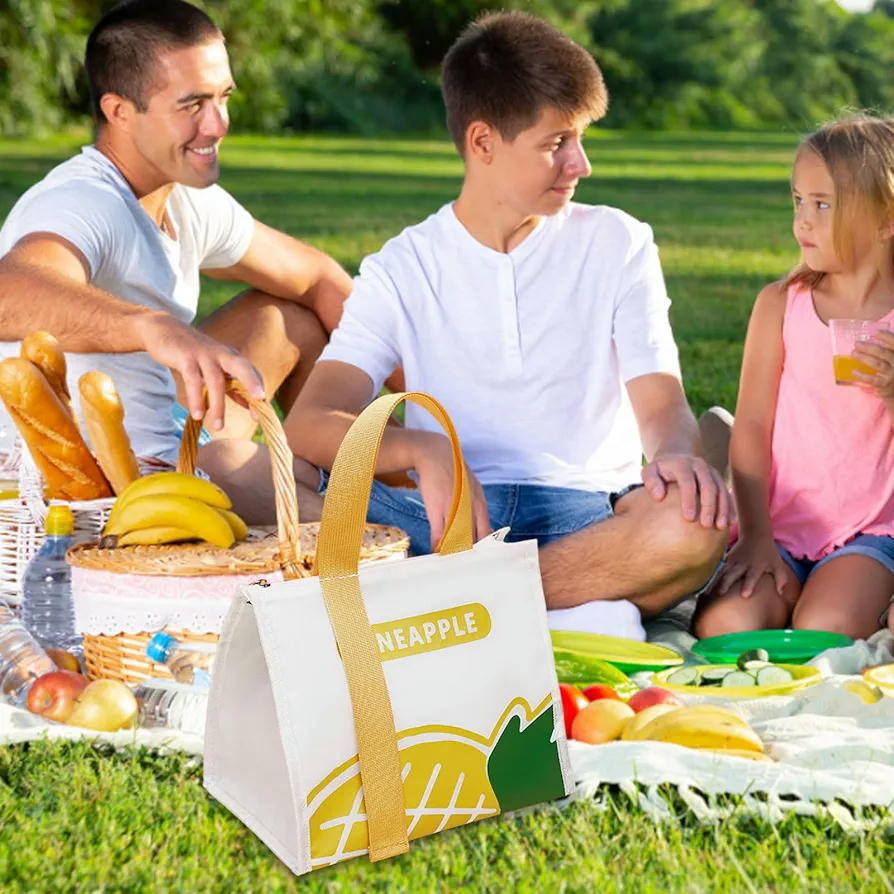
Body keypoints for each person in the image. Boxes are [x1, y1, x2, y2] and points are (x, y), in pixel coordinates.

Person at [286, 11, 730, 619]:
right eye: (556, 144)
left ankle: (445, 601)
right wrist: (425, 450)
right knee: (240, 472)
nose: (580, 164)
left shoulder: (619, 243)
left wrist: (677, 454)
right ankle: (516, 598)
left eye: (580, 139)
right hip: (443, 523)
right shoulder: (402, 267)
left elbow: (660, 405)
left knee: (693, 528)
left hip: (590, 515)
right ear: (483, 143)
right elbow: (310, 423)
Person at [0, 0, 352, 522]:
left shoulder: (185, 196)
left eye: (223, 97)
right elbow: (9, 294)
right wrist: (155, 329)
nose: (218, 124)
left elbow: (319, 279)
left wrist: (427, 397)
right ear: (120, 112)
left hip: (175, 419)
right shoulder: (81, 202)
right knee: (352, 527)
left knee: (288, 319)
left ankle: (380, 470)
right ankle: (355, 501)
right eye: (193, 105)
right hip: (121, 482)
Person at [694, 114, 894, 641]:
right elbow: (755, 425)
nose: (802, 221)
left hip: (872, 527)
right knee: (725, 627)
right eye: (798, 201)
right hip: (778, 523)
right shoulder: (780, 304)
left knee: (827, 626)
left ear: (886, 218)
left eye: (823, 205)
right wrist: (756, 537)